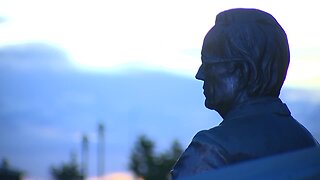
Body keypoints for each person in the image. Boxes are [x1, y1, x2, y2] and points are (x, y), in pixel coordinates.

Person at [171, 8, 319, 179]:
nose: (200, 74)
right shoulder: (307, 143)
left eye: (208, 64)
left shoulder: (212, 149)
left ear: (242, 71)